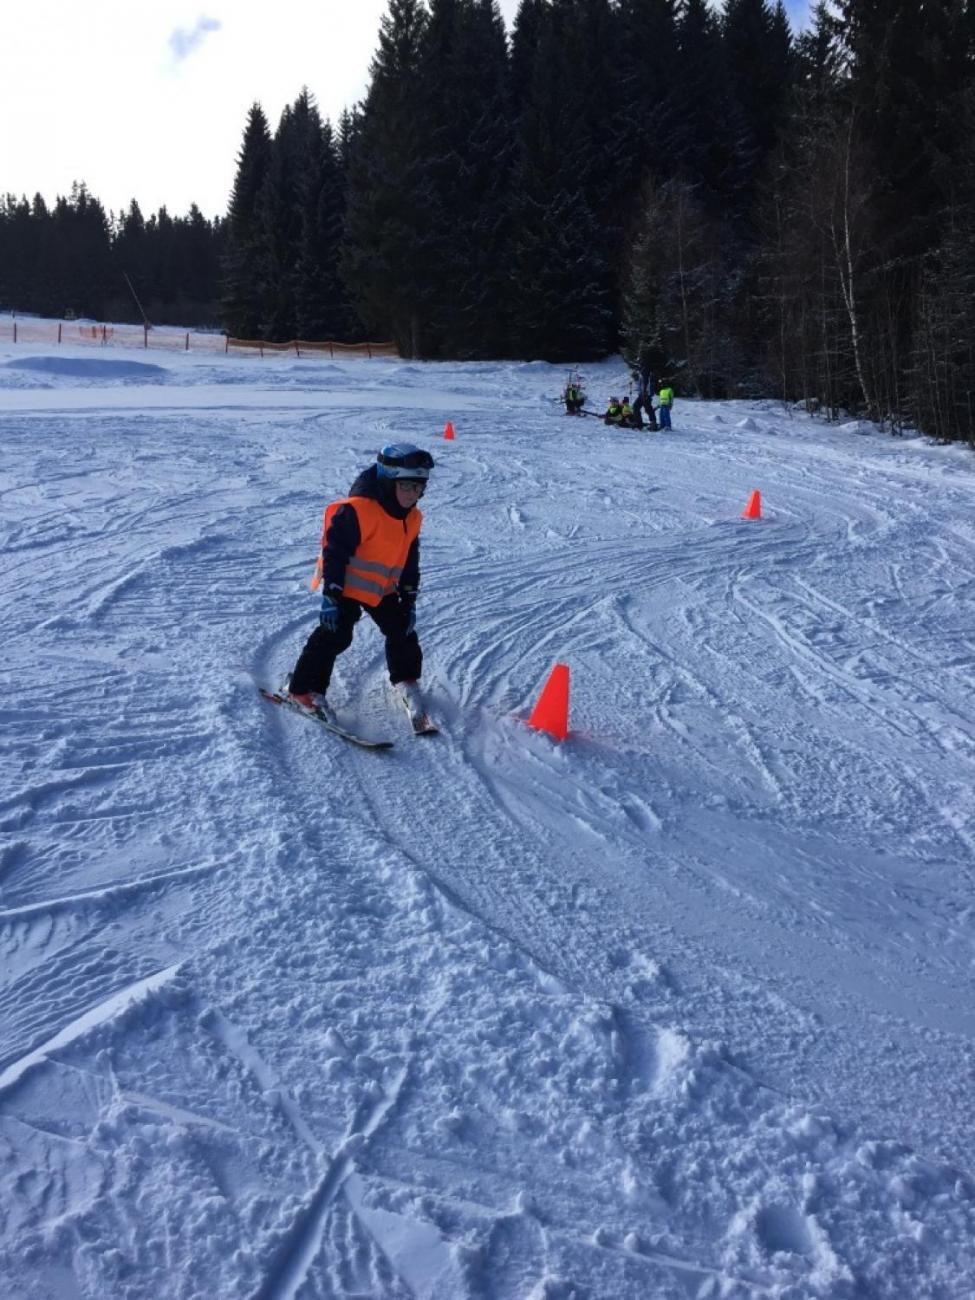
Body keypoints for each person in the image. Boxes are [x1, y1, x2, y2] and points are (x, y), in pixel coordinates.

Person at [287, 443, 434, 719]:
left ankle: (406, 680)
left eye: (419, 488)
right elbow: (334, 552)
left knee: (401, 629)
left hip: (381, 589)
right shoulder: (357, 510)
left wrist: (409, 597)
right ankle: (303, 690)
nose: (413, 495)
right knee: (335, 634)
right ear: (389, 482)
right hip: (344, 585)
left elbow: (410, 559)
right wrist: (331, 595)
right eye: (407, 487)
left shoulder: (413, 517)